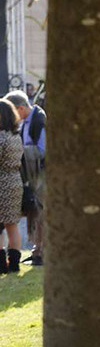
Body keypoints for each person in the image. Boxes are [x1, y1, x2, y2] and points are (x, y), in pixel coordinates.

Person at [4, 90, 46, 266]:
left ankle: (43, 253)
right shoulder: (27, 121)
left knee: (43, 213)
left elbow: (43, 150)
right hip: (32, 174)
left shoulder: (40, 120)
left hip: (43, 174)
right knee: (34, 213)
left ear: (20, 108)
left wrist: (19, 152)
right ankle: (37, 251)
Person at [0, 99, 24, 274]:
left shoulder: (1, 137)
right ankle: (14, 264)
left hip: (2, 181)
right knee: (12, 225)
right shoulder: (16, 136)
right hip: (15, 180)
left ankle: (1, 265)